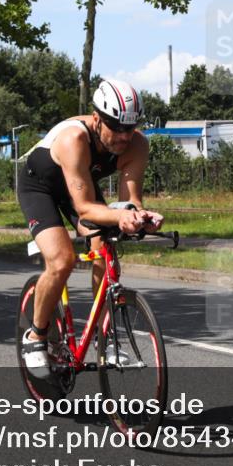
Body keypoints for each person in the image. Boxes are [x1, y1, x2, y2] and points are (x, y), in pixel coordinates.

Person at [17, 79, 163, 377]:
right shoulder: (74, 138)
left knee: (105, 249)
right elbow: (84, 209)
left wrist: (140, 217)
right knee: (61, 261)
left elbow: (128, 202)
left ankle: (103, 336)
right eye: (116, 127)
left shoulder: (137, 144)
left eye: (131, 127)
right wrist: (119, 216)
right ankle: (35, 336)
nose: (124, 136)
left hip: (79, 186)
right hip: (40, 187)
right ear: (97, 119)